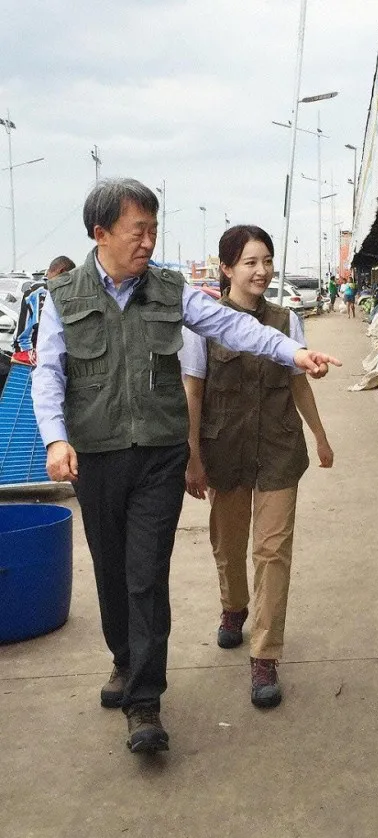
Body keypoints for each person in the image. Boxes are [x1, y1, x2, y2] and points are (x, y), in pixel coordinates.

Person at [31, 179, 341, 755]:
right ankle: (124, 661)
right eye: (137, 231)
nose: (148, 242)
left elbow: (232, 325)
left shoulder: (172, 289)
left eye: (153, 229)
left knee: (146, 571)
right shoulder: (62, 297)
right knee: (110, 571)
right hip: (96, 457)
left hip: (158, 455)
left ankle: (146, 702)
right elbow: (47, 371)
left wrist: (292, 350)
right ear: (101, 234)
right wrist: (55, 439)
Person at [180, 225, 333, 708]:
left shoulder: (288, 321)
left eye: (266, 261)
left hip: (278, 451)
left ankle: (264, 655)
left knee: (272, 550)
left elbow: (298, 383)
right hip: (224, 448)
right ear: (226, 268)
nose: (262, 271)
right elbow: (193, 393)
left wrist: (321, 436)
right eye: (250, 262)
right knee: (227, 542)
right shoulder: (201, 325)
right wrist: (193, 457)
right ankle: (233, 606)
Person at [13, 256, 76, 364]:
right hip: (33, 355)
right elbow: (41, 325)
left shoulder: (36, 288)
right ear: (63, 272)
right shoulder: (43, 290)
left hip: (27, 353)